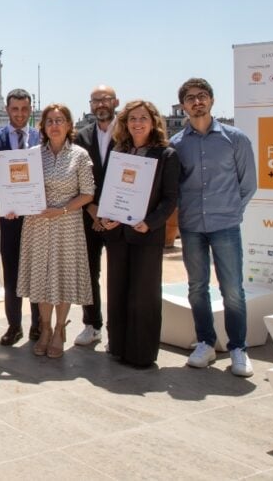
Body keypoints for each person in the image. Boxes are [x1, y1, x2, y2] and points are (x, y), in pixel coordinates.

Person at [170, 78, 257, 377]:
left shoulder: (236, 139)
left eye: (202, 96)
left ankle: (238, 348)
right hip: (192, 226)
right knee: (197, 288)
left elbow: (248, 184)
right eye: (191, 98)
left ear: (211, 101)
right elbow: (175, 188)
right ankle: (206, 343)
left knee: (232, 289)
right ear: (183, 105)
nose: (197, 102)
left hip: (225, 224)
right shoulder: (176, 145)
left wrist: (232, 212)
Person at [99, 100, 178, 368]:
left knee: (143, 295)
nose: (137, 123)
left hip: (145, 234)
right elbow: (109, 190)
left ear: (153, 121)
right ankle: (118, 346)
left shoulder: (166, 154)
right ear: (125, 122)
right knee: (118, 291)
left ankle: (141, 353)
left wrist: (151, 222)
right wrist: (107, 215)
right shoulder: (118, 152)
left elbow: (170, 198)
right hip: (118, 234)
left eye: (143, 118)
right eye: (132, 118)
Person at [14, 104, 95, 359]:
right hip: (37, 223)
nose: (55, 125)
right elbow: (19, 187)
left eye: (60, 120)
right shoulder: (33, 154)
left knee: (63, 277)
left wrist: (60, 210)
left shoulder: (80, 155)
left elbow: (87, 193)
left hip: (66, 224)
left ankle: (60, 329)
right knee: (41, 279)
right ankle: (45, 329)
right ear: (43, 126)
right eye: (50, 121)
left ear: (69, 125)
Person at [0, 88, 42, 345]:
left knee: (34, 272)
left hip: (35, 218)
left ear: (30, 110)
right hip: (8, 218)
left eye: (24, 109)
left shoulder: (41, 137)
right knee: (11, 274)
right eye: (15, 109)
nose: (20, 114)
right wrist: (4, 203)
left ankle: (37, 325)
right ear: (7, 110)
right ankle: (14, 325)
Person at [72, 84, 119, 347]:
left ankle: (117, 328)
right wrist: (91, 209)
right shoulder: (82, 136)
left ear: (115, 102)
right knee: (88, 273)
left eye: (105, 99)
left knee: (118, 273)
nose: (101, 104)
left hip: (118, 217)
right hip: (89, 215)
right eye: (95, 101)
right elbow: (77, 177)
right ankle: (92, 324)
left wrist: (111, 212)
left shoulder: (127, 133)